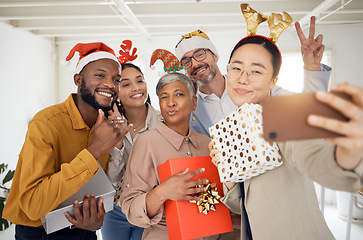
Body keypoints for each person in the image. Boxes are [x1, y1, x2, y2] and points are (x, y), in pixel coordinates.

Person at [209, 34, 363, 240]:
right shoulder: (236, 126)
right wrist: (226, 172)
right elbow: (246, 204)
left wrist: (346, 156)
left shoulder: (283, 119)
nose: (242, 78)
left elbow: (316, 160)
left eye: (256, 71)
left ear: (273, 81)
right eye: (236, 68)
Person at [3, 42, 128, 239]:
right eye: (100, 75)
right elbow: (34, 206)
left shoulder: (106, 125)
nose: (111, 85)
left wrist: (97, 220)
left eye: (116, 79)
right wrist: (94, 151)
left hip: (83, 231)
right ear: (78, 79)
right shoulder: (46, 123)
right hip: (37, 233)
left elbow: (97, 190)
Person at [175, 16, 331, 137]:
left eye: (200, 54)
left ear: (215, 56)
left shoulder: (258, 88)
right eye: (186, 61)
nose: (195, 63)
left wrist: (312, 67)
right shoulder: (189, 110)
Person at [120, 72, 220, 240]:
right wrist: (162, 192)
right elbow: (130, 208)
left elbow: (214, 197)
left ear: (194, 102)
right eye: (164, 97)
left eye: (179, 95)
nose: (171, 103)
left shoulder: (207, 143)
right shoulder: (146, 141)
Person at [101, 62, 162, 240]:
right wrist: (118, 140)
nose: (136, 88)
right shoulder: (109, 126)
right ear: (116, 94)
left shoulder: (163, 122)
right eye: (126, 84)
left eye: (140, 81)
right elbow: (112, 177)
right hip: (116, 210)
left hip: (150, 209)